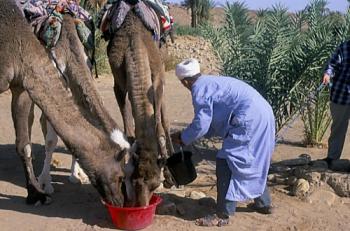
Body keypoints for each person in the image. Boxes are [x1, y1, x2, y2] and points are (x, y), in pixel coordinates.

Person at [171, 58, 275, 227]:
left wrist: (183, 138)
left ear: (185, 81)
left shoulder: (198, 88)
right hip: (264, 113)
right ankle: (264, 203)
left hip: (248, 120)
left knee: (226, 162)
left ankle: (222, 214)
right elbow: (213, 121)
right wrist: (190, 135)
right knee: (254, 160)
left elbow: (202, 124)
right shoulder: (210, 82)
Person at [322, 41, 350, 166]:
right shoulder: (345, 47)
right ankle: (332, 158)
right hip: (341, 95)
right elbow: (332, 64)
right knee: (338, 128)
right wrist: (327, 74)